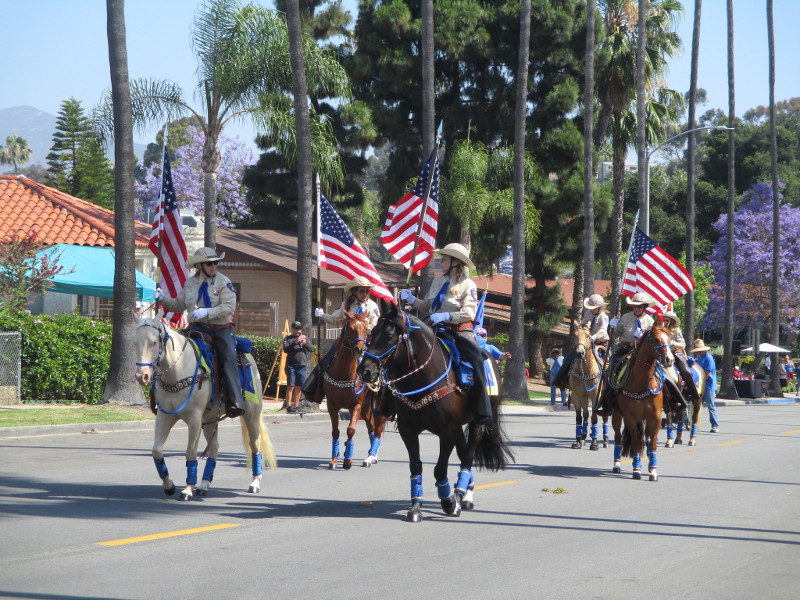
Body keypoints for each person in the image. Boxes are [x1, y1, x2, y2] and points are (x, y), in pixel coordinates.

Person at [399, 243, 492, 424]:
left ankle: (482, 408)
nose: (440, 261)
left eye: (444, 259)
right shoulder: (438, 281)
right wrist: (411, 299)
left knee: (476, 359)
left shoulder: (468, 284)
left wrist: (447, 315)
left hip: (459, 331)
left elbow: (469, 313)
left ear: (455, 262)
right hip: (435, 329)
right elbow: (427, 305)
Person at [155, 247, 245, 418]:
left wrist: (207, 312)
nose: (214, 266)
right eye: (209, 263)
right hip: (195, 328)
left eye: (216, 262)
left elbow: (228, 307)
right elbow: (178, 306)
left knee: (228, 357)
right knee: (170, 349)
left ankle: (234, 401)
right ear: (199, 266)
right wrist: (163, 298)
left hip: (220, 329)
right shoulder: (190, 283)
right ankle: (160, 395)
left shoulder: (223, 281)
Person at [301, 275, 380, 403]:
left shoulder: (373, 306)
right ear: (355, 291)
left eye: (366, 291)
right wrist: (322, 315)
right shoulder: (346, 304)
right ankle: (314, 390)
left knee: (377, 364)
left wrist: (362, 328)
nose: (364, 294)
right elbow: (334, 318)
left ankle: (380, 394)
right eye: (361, 291)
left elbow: (376, 325)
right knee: (325, 360)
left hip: (365, 341)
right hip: (345, 342)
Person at [596, 292, 658, 417]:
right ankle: (605, 402)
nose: (637, 308)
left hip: (641, 352)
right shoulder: (626, 317)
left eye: (639, 306)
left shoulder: (650, 321)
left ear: (644, 307)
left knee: (660, 371)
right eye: (635, 306)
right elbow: (616, 335)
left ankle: (667, 399)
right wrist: (613, 327)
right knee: (611, 370)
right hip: (624, 349)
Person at [554, 293, 610, 390]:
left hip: (600, 343)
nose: (593, 309)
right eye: (591, 307)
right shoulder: (588, 313)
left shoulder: (604, 317)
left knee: (608, 364)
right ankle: (561, 380)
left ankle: (607, 386)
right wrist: (581, 332)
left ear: (600, 307)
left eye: (595, 308)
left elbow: (603, 330)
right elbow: (582, 324)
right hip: (586, 342)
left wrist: (592, 337)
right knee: (568, 359)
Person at [662, 310, 701, 406]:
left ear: (672, 321)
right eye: (664, 320)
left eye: (667, 320)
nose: (665, 322)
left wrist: (673, 343)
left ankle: (693, 393)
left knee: (686, 371)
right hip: (664, 353)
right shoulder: (661, 330)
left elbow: (683, 345)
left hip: (675, 353)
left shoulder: (677, 331)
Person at [689, 339, 719, 433]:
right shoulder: (700, 358)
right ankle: (694, 423)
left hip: (709, 386)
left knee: (711, 406)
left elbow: (707, 373)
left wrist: (700, 383)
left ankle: (715, 425)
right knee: (697, 405)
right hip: (700, 385)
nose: (697, 352)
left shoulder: (708, 358)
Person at [283, 321, 313, 413]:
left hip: (302, 366)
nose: (298, 330)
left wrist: (305, 343)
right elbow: (286, 349)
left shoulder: (304, 338)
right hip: (291, 365)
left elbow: (311, 349)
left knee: (299, 387)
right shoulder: (288, 339)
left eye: (300, 328)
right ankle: (289, 406)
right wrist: (295, 342)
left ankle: (296, 406)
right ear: (292, 329)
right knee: (290, 386)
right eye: (296, 328)